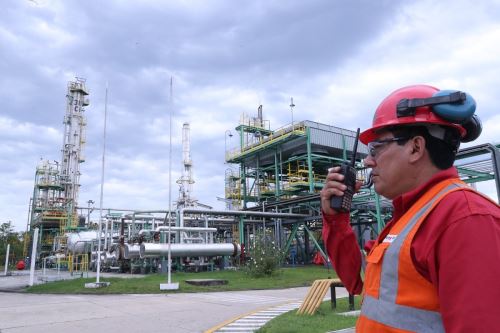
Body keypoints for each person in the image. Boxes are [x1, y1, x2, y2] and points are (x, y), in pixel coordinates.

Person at [320, 85, 500, 332]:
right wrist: (336, 221)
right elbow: (360, 284)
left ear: (416, 147)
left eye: (376, 148)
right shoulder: (410, 216)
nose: (368, 160)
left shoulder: (466, 218)